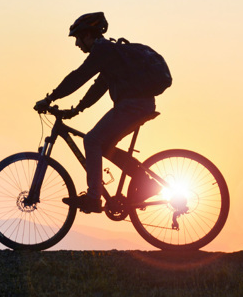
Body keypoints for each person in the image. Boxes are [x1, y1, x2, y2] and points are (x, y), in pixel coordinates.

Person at [33, 12, 158, 213]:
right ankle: (145, 182)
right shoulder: (110, 54)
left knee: (92, 140)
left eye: (77, 38)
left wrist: (50, 98)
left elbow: (78, 77)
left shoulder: (103, 51)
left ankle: (93, 198)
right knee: (104, 145)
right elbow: (99, 87)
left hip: (133, 106)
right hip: (138, 105)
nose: (77, 44)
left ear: (88, 35)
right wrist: (77, 109)